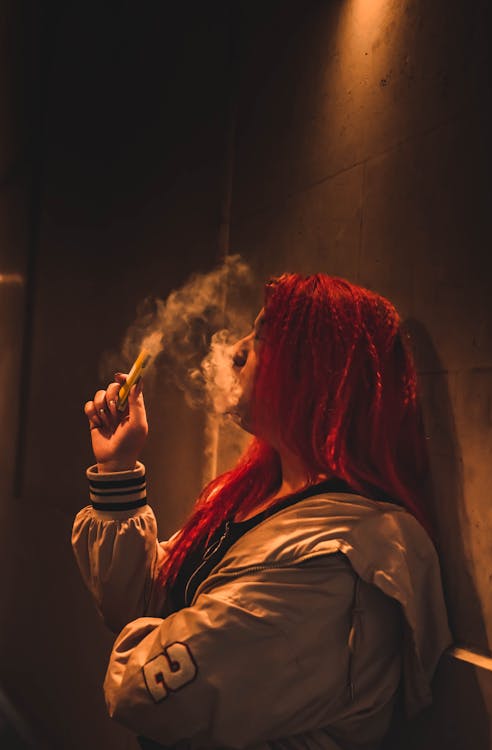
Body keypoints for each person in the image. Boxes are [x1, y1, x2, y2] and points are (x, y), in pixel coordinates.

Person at [72, 273, 452, 750]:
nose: (236, 350)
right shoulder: (248, 499)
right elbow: (137, 601)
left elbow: (145, 694)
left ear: (316, 371)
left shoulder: (339, 555)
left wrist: (162, 636)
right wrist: (118, 466)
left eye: (264, 337)